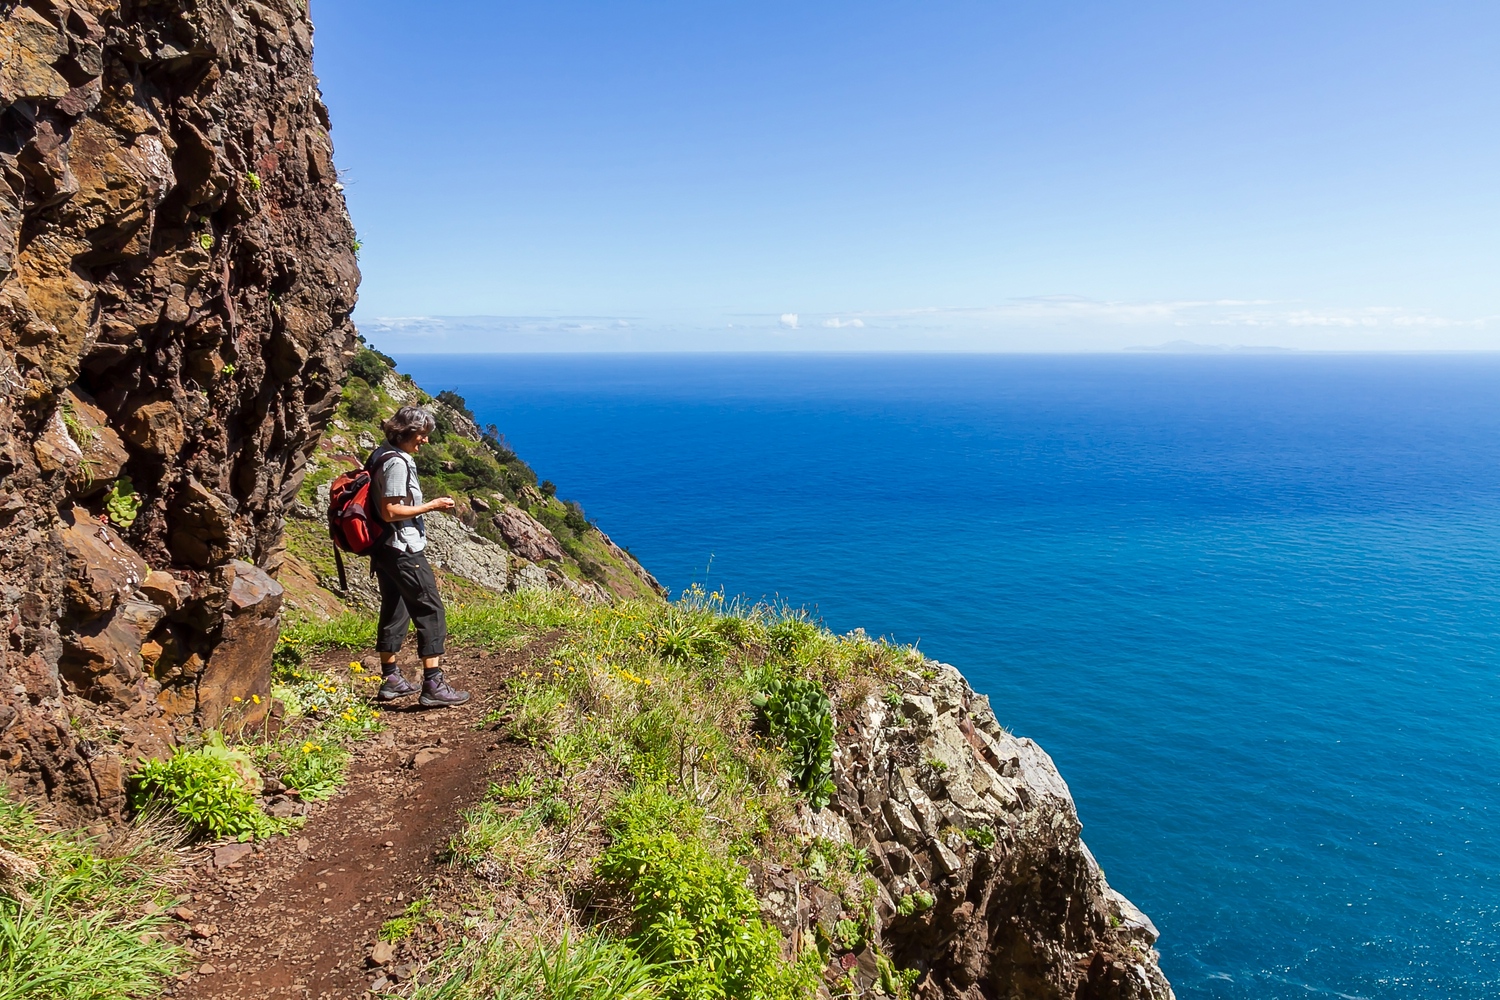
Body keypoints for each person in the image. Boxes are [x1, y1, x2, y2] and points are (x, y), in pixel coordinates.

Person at [367, 405, 471, 707]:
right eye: (421, 435)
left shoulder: (380, 453)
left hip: (383, 548)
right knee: (431, 609)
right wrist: (433, 505)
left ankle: (391, 679)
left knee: (395, 607)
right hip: (402, 548)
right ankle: (433, 684)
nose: (424, 441)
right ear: (406, 432)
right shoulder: (397, 463)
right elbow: (390, 511)